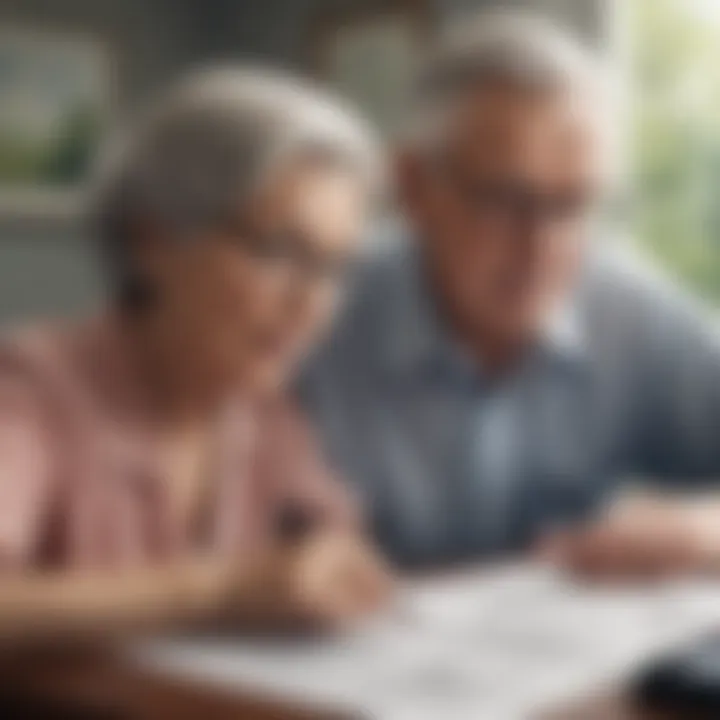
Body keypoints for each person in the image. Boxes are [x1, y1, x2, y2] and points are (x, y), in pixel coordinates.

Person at [300, 11, 720, 577]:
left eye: (574, 206)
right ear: (412, 186)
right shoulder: (311, 319)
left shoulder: (631, 314)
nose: (541, 246)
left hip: (582, 657)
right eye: (504, 201)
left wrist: (702, 530)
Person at [0, 67, 390, 642]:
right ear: (152, 240)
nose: (312, 304)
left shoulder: (263, 411)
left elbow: (338, 552)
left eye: (334, 268)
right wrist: (216, 590)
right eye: (280, 251)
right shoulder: (31, 393)